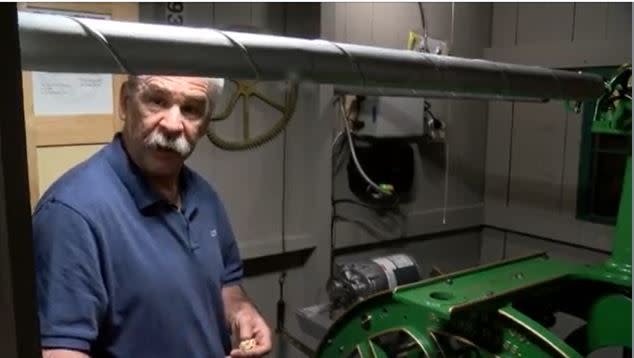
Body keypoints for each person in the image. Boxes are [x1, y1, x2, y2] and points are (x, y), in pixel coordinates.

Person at [32, 75, 272, 358]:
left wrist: (240, 311)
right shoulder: (72, 214)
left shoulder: (203, 195)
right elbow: (61, 352)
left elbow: (225, 284)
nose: (172, 124)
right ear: (125, 103)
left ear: (206, 124)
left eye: (191, 109)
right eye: (157, 101)